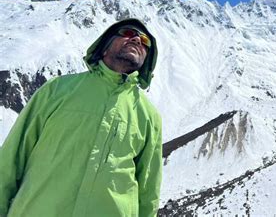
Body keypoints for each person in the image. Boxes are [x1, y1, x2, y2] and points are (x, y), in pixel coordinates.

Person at [0, 18, 162, 217]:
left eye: (145, 41)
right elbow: (12, 157)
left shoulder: (148, 116)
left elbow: (148, 190)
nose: (137, 39)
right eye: (128, 33)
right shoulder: (58, 89)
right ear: (105, 47)